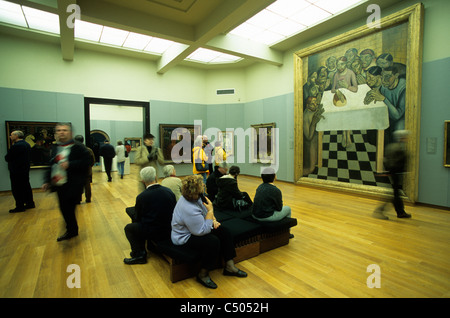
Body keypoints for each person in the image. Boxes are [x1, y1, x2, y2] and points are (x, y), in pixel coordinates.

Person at [171, 175, 247, 289]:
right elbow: (201, 231)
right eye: (201, 184)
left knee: (224, 231)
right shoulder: (187, 208)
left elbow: (205, 211)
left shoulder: (197, 196)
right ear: (195, 190)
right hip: (184, 237)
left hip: (196, 227)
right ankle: (202, 274)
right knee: (212, 242)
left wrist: (214, 220)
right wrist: (211, 212)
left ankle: (229, 266)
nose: (204, 185)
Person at [42, 123, 91, 241]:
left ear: (70, 132)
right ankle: (71, 229)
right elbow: (51, 165)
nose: (61, 132)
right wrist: (47, 181)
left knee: (68, 208)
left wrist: (70, 164)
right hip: (59, 184)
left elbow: (87, 162)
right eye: (58, 130)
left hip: (72, 184)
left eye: (64, 130)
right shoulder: (55, 147)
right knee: (64, 208)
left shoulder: (78, 147)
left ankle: (72, 230)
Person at [123, 167, 177, 264]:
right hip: (169, 229)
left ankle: (139, 254)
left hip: (153, 231)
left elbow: (138, 217)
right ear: (155, 177)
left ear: (143, 181)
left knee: (129, 228)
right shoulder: (168, 192)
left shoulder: (142, 197)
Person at [373, 130, 411, 219]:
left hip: (393, 173)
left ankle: (400, 212)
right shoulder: (397, 148)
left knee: (395, 194)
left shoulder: (392, 146)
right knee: (394, 195)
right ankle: (381, 211)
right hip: (394, 174)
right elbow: (394, 162)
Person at [5, 130, 35, 213]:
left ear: (16, 136)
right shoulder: (26, 144)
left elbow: (7, 158)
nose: (10, 137)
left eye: (11, 135)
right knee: (26, 186)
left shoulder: (16, 146)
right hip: (24, 169)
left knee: (17, 188)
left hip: (16, 170)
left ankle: (20, 206)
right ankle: (30, 203)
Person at [74, 135, 95, 203]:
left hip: (77, 171)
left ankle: (78, 199)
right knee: (87, 185)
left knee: (77, 186)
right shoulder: (88, 150)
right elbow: (93, 160)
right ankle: (88, 199)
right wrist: (89, 166)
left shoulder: (73, 150)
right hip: (87, 170)